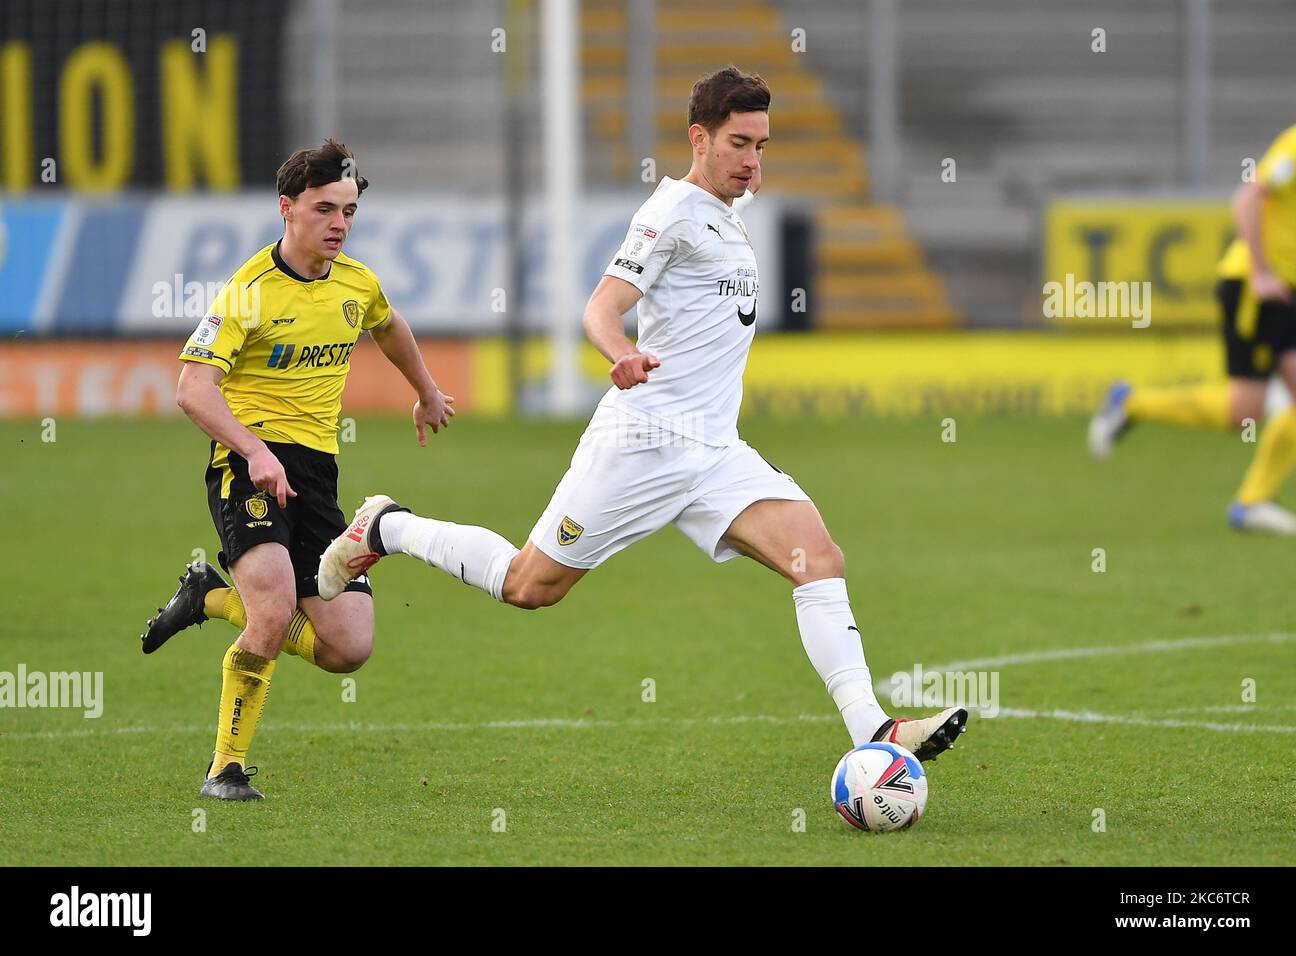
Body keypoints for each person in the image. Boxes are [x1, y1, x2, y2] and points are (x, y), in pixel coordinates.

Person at [317, 67, 967, 761]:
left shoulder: (727, 217)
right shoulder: (671, 213)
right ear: (699, 139)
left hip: (716, 452)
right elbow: (599, 306)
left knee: (820, 559)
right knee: (529, 586)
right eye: (739, 143)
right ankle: (387, 526)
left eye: (762, 146)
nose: (752, 160)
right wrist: (620, 353)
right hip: (645, 442)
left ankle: (873, 729)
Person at [138, 139, 455, 800]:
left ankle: (208, 597)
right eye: (324, 209)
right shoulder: (249, 291)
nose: (339, 224)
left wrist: (425, 390)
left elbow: (389, 324)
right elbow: (192, 389)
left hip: (315, 476)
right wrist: (253, 451)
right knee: (277, 605)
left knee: (349, 648)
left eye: (349, 211)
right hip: (245, 463)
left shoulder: (356, 284)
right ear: (287, 208)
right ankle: (225, 768)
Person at [1089, 122, 1296, 534]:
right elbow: (1247, 198)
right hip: (1258, 287)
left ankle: (1252, 502)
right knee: (1244, 414)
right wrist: (1260, 272)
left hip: (1288, 290)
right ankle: (1129, 402)